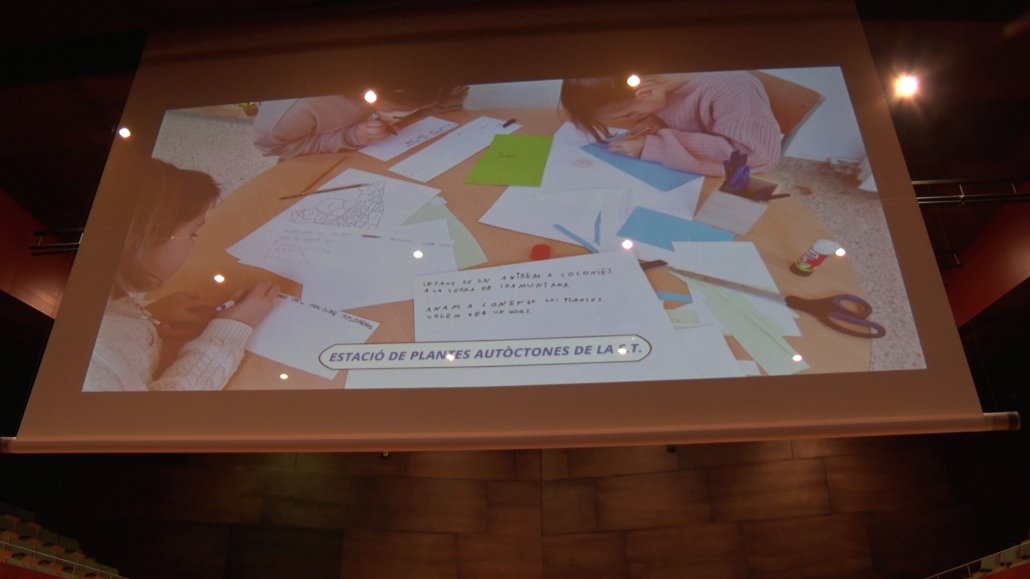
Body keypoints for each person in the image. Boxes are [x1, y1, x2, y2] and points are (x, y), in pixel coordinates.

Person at [83, 158, 280, 392]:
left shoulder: (95, 290)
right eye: (192, 234)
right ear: (144, 241)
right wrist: (233, 328)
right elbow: (164, 409)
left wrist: (147, 315)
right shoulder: (100, 362)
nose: (194, 244)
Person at [560, 71, 782, 176]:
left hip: (727, 185)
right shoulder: (659, 87)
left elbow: (755, 156)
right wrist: (650, 123)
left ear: (645, 92)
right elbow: (677, 115)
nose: (630, 119)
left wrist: (654, 146)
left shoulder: (732, 91)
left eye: (630, 113)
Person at [253, 84, 469, 160]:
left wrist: (420, 122)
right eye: (397, 109)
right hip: (325, 161)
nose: (406, 113)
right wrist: (349, 136)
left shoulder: (447, 75)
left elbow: (451, 102)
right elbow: (273, 147)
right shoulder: (298, 105)